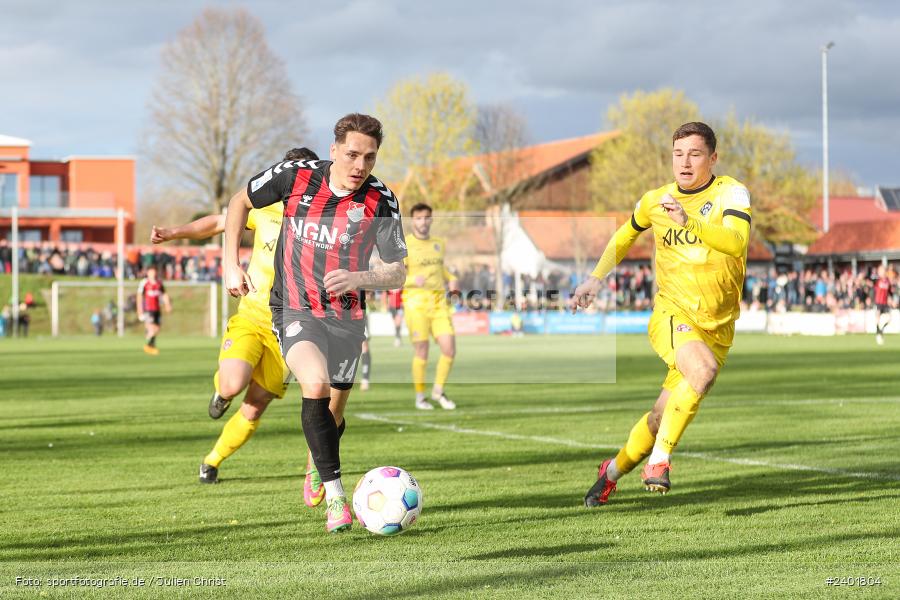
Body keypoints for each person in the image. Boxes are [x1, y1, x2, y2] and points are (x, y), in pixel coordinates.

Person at [223, 113, 407, 534]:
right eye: (352, 154)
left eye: (370, 158)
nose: (360, 166)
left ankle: (316, 460)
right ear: (334, 150)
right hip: (294, 307)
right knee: (315, 385)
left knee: (333, 416)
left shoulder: (382, 201)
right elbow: (239, 202)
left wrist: (360, 277)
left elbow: (398, 271)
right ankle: (337, 499)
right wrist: (230, 264)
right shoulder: (297, 176)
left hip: (347, 318)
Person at [572, 122, 752, 505]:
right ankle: (660, 461)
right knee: (702, 372)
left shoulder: (732, 193)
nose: (684, 162)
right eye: (678, 154)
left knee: (659, 418)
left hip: (717, 328)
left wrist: (691, 222)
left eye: (695, 154)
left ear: (713, 158)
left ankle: (611, 472)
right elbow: (624, 234)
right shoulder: (656, 199)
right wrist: (595, 278)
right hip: (672, 314)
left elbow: (737, 243)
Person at [153, 149, 329, 489]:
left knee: (255, 406)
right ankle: (221, 393)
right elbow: (219, 222)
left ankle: (211, 460)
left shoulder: (320, 220)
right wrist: (175, 233)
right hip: (252, 316)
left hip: (291, 328)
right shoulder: (264, 207)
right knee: (233, 384)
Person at [403, 203, 459, 410]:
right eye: (418, 218)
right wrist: (410, 280)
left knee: (449, 349)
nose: (423, 222)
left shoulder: (439, 244)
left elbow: (441, 269)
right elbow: (396, 277)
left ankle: (438, 391)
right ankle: (420, 397)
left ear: (431, 219)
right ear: (413, 221)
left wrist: (452, 279)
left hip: (439, 305)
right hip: (415, 305)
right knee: (422, 351)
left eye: (427, 218)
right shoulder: (405, 245)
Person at [136, 266, 171, 354]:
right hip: (148, 309)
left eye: (154, 272)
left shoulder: (159, 283)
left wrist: (167, 304)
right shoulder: (144, 283)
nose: (153, 274)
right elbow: (139, 297)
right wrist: (139, 310)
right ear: (148, 273)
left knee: (157, 328)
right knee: (152, 328)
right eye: (151, 272)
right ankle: (149, 346)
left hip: (157, 309)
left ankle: (150, 344)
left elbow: (164, 294)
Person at [874, 265, 893, 345]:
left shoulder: (888, 281)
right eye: (881, 271)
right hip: (879, 302)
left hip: (885, 303)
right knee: (877, 318)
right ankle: (878, 332)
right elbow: (872, 287)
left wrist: (891, 299)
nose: (882, 272)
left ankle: (881, 330)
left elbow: (889, 292)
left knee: (889, 318)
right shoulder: (877, 280)